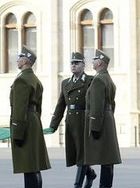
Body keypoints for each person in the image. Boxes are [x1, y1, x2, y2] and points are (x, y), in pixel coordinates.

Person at [49, 52, 96, 188]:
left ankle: (77, 185)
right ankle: (90, 173)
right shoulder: (65, 83)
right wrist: (53, 124)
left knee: (82, 154)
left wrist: (94, 122)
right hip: (71, 122)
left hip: (83, 121)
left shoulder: (90, 80)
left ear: (83, 65)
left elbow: (94, 102)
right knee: (76, 154)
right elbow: (61, 104)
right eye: (72, 63)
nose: (73, 65)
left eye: (76, 63)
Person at [10, 46, 50, 188]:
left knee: (28, 166)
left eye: (20, 58)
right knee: (34, 165)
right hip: (33, 121)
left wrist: (17, 132)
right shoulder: (34, 79)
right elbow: (38, 107)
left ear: (26, 61)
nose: (17, 60)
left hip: (24, 124)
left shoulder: (22, 80)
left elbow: (19, 109)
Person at [82, 50, 120, 188]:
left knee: (105, 158)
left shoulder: (98, 79)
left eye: (94, 60)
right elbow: (112, 103)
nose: (92, 62)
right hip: (108, 118)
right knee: (108, 158)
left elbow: (96, 105)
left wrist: (94, 126)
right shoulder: (107, 78)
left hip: (101, 121)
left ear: (99, 63)